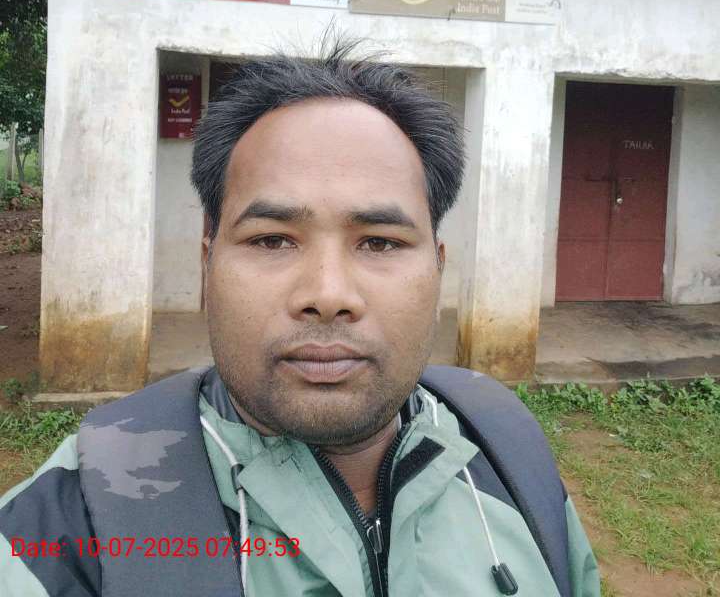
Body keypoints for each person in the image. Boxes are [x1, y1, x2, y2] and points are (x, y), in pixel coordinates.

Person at [0, 36, 600, 596]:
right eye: (272, 239)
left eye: (381, 242)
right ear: (208, 261)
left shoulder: (507, 459)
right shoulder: (72, 524)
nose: (328, 294)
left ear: (438, 266)